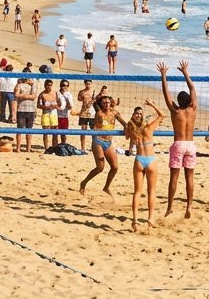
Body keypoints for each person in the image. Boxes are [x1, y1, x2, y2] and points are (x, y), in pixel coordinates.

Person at [160, 60, 198, 219]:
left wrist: (163, 75)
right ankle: (189, 205)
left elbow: (166, 93)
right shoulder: (193, 108)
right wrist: (185, 72)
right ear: (189, 100)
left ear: (179, 101)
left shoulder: (175, 111)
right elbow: (192, 88)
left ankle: (169, 207)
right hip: (191, 145)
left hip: (178, 145)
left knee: (174, 178)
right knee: (189, 177)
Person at [125, 101, 165, 233]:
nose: (139, 115)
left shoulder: (131, 128)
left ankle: (135, 220)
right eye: (139, 113)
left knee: (137, 191)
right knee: (151, 191)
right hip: (151, 160)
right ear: (141, 117)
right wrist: (153, 104)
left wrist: (130, 122)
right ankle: (150, 218)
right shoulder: (148, 128)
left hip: (139, 160)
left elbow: (126, 137)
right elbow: (162, 115)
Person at [80, 94, 123, 196]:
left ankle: (106, 187)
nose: (107, 104)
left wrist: (127, 128)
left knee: (115, 167)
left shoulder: (115, 112)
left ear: (111, 103)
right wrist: (96, 99)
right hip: (98, 141)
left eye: (108, 102)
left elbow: (123, 122)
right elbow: (95, 106)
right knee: (100, 167)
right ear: (101, 105)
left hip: (108, 142)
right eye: (104, 103)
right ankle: (84, 182)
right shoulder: (99, 113)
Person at [15, 77, 37, 153]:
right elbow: (17, 95)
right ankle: (18, 148)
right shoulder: (19, 85)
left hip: (30, 110)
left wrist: (24, 95)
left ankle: (28, 148)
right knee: (19, 130)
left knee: (29, 130)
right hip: (21, 109)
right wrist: (28, 96)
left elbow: (34, 96)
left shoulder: (32, 86)